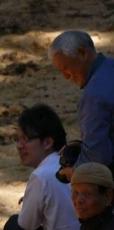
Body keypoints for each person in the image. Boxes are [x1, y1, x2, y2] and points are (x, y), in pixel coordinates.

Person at [3, 104, 79, 230]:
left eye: (26, 140)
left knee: (13, 226)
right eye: (18, 139)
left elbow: (27, 225)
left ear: (47, 142)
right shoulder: (73, 163)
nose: (19, 146)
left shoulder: (41, 175)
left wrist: (30, 204)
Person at [48, 30, 114, 172]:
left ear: (83, 53)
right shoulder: (110, 67)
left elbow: (97, 158)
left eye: (66, 68)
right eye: (60, 71)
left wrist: (73, 171)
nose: (66, 76)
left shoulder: (93, 96)